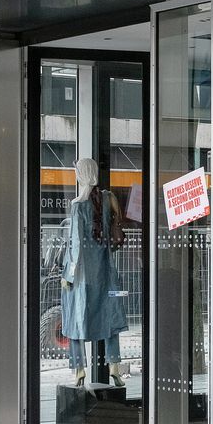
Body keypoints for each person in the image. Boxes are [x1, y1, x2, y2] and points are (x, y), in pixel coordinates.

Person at [60, 158, 128, 387]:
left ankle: (79, 370)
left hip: (83, 277)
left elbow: (76, 244)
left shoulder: (78, 205)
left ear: (80, 175)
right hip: (107, 272)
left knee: (75, 321)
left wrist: (68, 275)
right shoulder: (108, 199)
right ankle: (115, 368)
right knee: (110, 320)